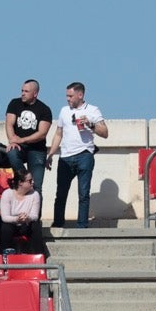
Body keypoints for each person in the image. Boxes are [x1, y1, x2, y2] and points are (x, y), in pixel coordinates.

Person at [46, 82, 107, 229]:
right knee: (61, 193)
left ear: (80, 95)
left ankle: (82, 226)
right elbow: (58, 133)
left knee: (83, 193)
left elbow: (105, 133)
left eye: (71, 96)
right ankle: (58, 223)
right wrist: (51, 153)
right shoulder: (64, 111)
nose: (68, 99)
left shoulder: (92, 110)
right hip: (65, 157)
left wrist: (91, 124)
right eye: (67, 96)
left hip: (84, 155)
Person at [4, 79, 53, 194]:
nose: (23, 93)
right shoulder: (14, 103)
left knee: (36, 187)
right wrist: (12, 140)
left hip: (37, 149)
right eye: (22, 90)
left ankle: (35, 203)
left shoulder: (44, 109)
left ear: (35, 93)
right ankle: (25, 178)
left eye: (26, 91)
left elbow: (42, 134)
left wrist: (22, 139)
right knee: (12, 152)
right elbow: (9, 124)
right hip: (19, 146)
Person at [0, 172, 46, 255]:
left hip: (26, 224)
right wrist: (17, 219)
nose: (33, 182)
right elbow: (5, 217)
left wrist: (28, 218)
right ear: (20, 183)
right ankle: (5, 255)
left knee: (35, 225)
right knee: (5, 227)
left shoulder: (35, 194)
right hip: (12, 224)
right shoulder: (7, 194)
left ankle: (39, 255)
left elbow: (35, 216)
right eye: (30, 181)